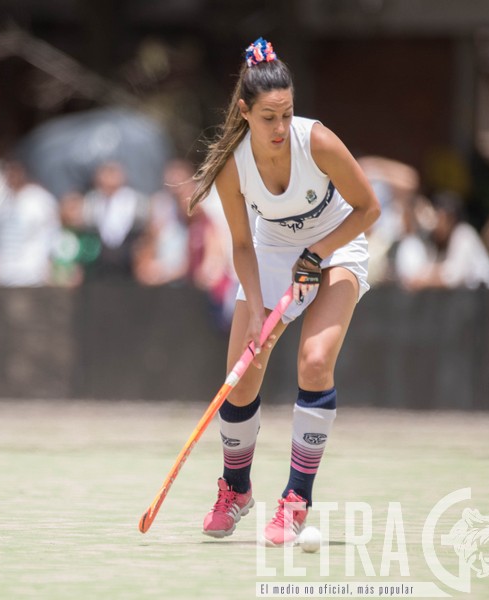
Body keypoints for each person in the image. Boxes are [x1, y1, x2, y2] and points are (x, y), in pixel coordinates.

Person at [186, 38, 381, 545]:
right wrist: (254, 308)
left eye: (287, 114)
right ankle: (236, 490)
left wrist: (316, 254)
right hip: (272, 252)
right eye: (268, 117)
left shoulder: (316, 141)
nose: (279, 128)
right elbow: (241, 244)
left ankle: (296, 500)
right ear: (245, 112)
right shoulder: (233, 165)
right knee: (242, 374)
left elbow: (369, 209)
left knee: (314, 362)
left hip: (337, 245)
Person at [405, 192, 489, 291]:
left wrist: (424, 282)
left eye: (441, 218)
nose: (437, 224)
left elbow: (453, 277)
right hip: (468, 296)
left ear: (451, 219)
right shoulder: (436, 240)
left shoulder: (464, 234)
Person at [0, 160, 60, 287]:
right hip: (4, 278)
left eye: (14, 171)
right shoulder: (0, 202)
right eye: (8, 171)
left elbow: (53, 236)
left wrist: (51, 267)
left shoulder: (39, 199)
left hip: (32, 278)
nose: (11, 176)